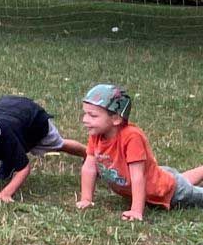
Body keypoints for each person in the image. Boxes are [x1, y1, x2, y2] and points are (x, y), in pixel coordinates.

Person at [76, 84, 203, 221]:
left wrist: (136, 210)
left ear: (116, 119)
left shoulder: (132, 137)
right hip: (158, 177)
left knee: (186, 189)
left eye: (92, 115)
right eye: (85, 113)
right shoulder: (96, 135)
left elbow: (138, 176)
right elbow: (89, 168)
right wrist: (86, 199)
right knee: (180, 180)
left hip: (166, 191)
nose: (85, 120)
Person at [0, 96, 86, 202]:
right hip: (12, 113)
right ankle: (8, 166)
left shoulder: (5, 135)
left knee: (59, 145)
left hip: (34, 121)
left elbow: (24, 168)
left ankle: (89, 154)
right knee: (10, 150)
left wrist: (6, 193)